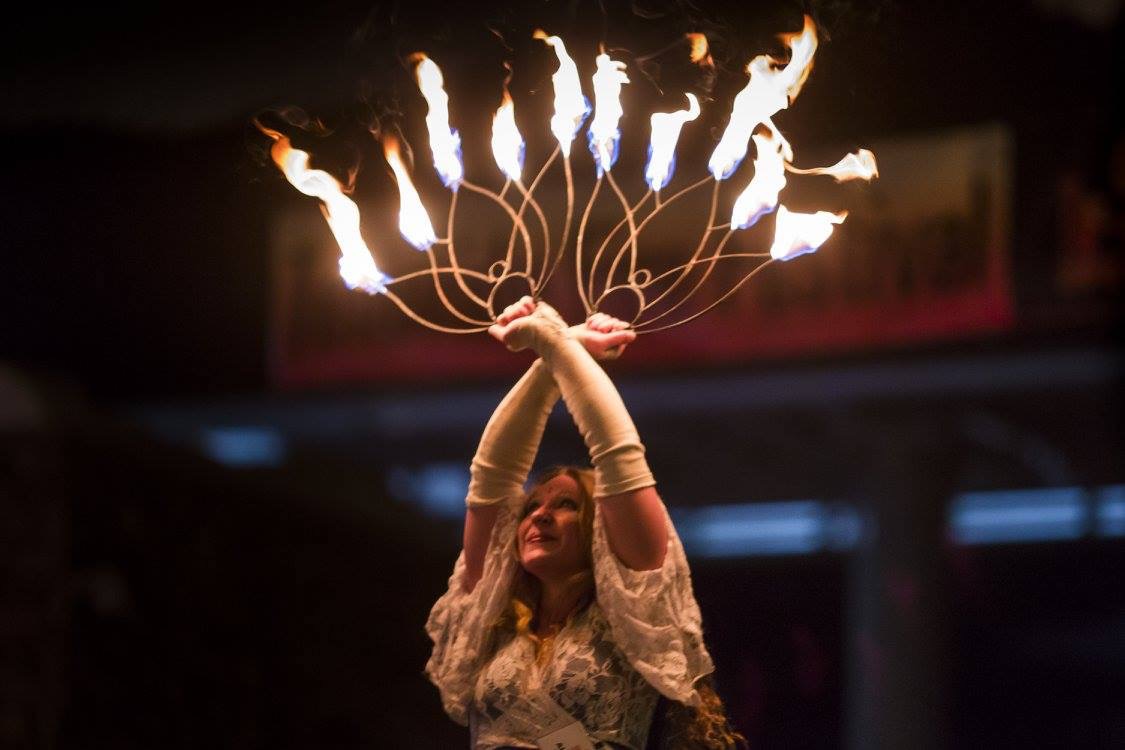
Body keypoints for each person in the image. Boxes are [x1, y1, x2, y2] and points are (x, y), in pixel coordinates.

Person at [426, 297, 744, 749]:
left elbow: (618, 453)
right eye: (535, 505)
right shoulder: (494, 609)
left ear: (598, 531)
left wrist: (554, 342)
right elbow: (491, 475)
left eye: (566, 505)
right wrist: (561, 347)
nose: (538, 513)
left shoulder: (634, 608)